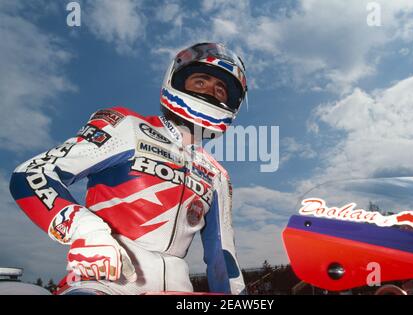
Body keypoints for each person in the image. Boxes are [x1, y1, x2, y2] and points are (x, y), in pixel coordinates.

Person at [9, 42, 248, 295]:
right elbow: (32, 174)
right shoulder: (127, 126)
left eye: (220, 89)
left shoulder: (216, 174)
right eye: (201, 81)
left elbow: (223, 255)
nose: (211, 91)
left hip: (180, 291)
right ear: (176, 80)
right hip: (102, 284)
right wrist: (86, 230)